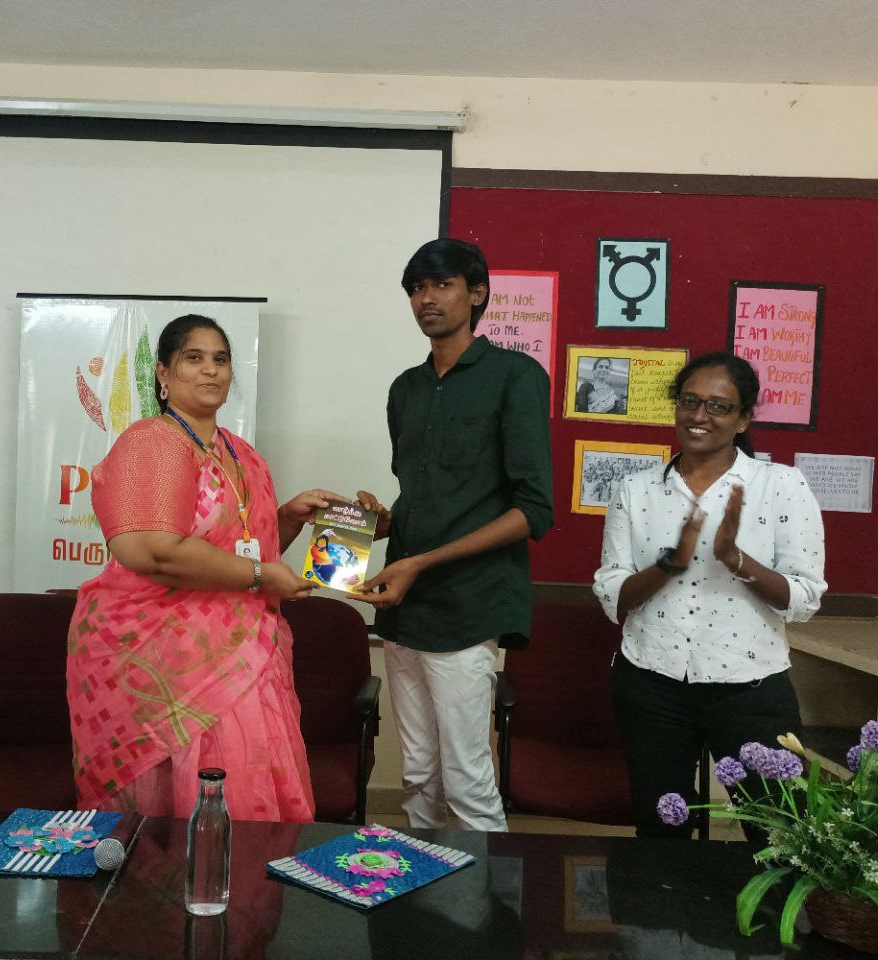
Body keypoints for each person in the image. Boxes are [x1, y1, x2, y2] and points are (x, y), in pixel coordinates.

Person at [67, 313, 330, 821]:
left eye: (220, 359)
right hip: (162, 662)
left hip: (242, 655)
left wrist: (286, 520)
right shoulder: (153, 442)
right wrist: (261, 577)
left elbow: (241, 550)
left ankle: (240, 874)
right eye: (194, 358)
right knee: (170, 817)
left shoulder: (241, 453)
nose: (210, 370)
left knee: (246, 804)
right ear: (163, 374)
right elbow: (154, 552)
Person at [354, 239, 553, 832]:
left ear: (477, 293)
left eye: (441, 284)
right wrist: (383, 523)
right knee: (418, 771)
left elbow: (533, 511)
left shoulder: (515, 376)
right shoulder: (405, 389)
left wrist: (421, 562)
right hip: (403, 605)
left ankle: (482, 893)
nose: (426, 299)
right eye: (416, 288)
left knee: (467, 778)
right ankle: (418, 886)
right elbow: (423, 494)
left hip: (469, 604)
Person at [592, 351, 826, 838]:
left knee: (780, 832)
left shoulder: (781, 485)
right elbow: (613, 595)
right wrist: (669, 565)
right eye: (689, 401)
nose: (700, 415)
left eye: (719, 406)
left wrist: (735, 559)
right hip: (652, 683)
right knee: (661, 830)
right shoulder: (635, 490)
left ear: (744, 418)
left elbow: (803, 599)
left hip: (750, 688)